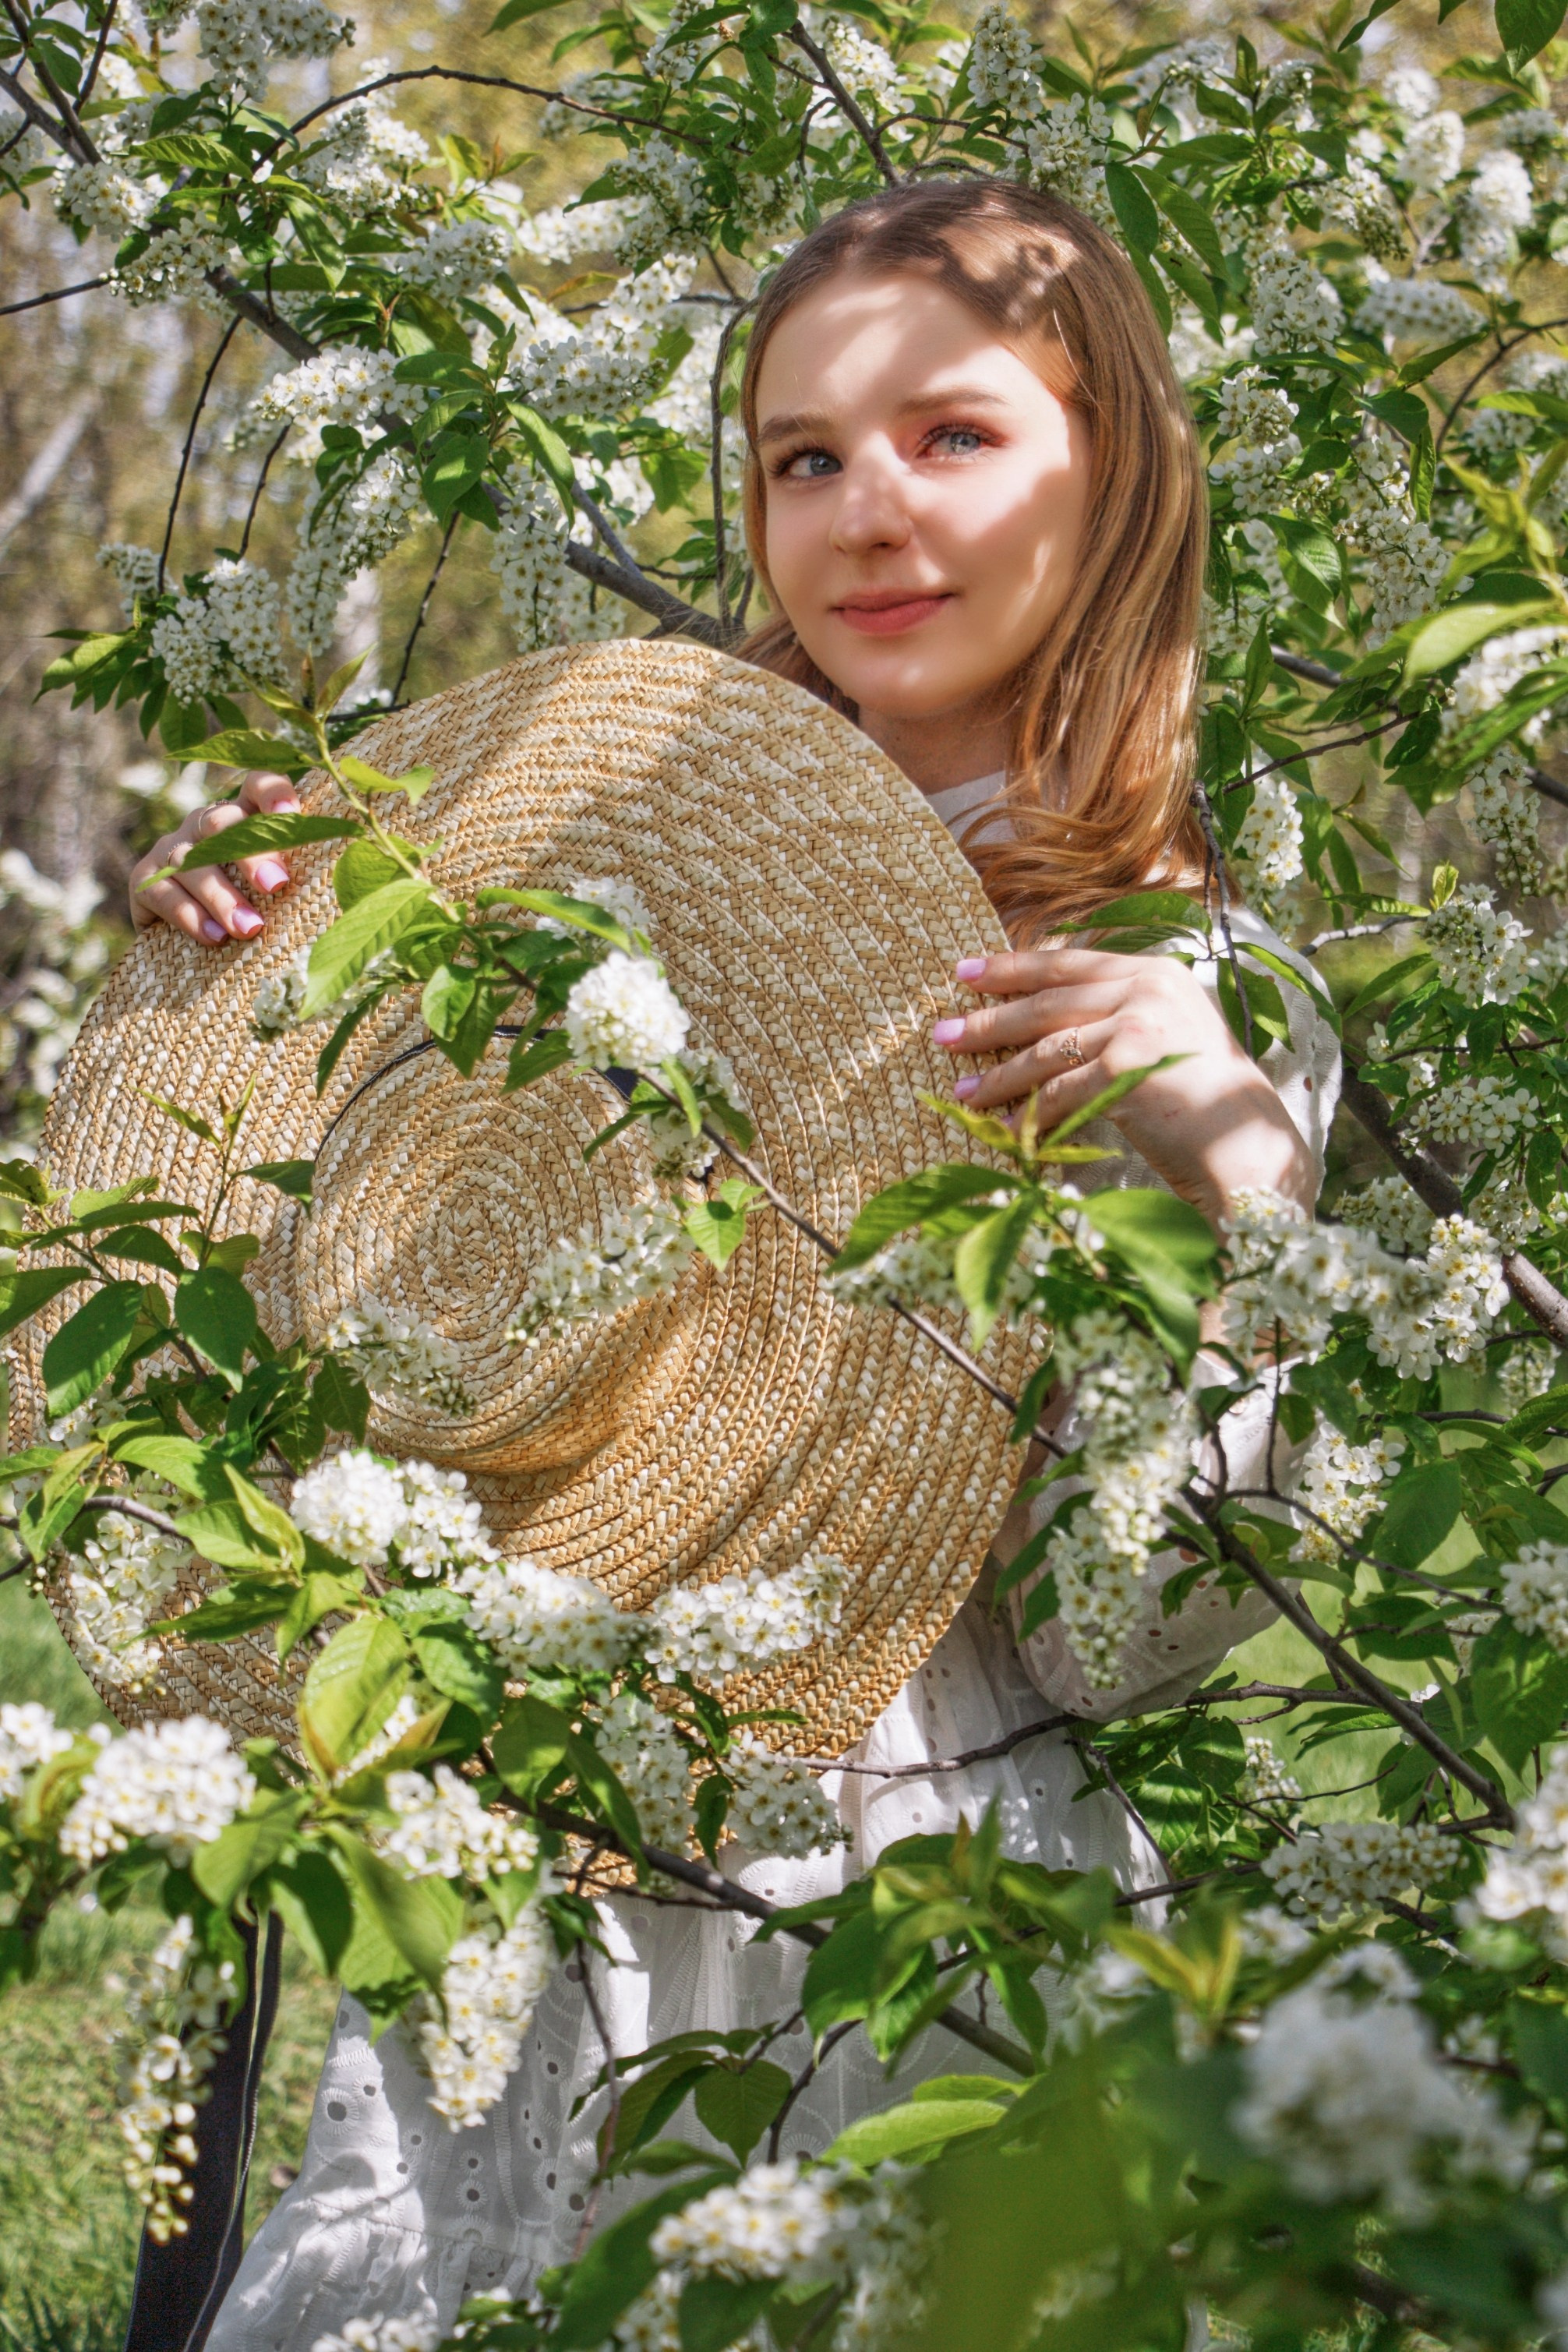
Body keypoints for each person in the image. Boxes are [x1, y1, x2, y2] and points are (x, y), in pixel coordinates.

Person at [127, 179, 1340, 2347]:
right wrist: (256, 969)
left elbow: (1126, 1635)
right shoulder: (592, 864)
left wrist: (1240, 1177)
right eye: (803, 457)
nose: (869, 510)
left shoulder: (1171, 994)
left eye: (952, 435)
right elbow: (378, 1299)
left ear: (1113, 480)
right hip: (540, 1840)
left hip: (892, 1900)